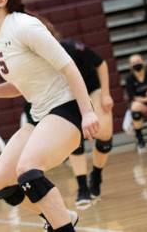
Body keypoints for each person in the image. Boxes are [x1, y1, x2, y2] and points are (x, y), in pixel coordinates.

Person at [0, 0, 98, 232]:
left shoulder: (25, 26)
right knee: (1, 183)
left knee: (28, 170)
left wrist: (88, 113)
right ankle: (61, 217)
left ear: (0, 0)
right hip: (39, 115)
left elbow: (69, 67)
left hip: (66, 108)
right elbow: (21, 85)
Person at [33, 18, 114, 207]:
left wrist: (106, 94)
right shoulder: (37, 61)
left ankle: (97, 175)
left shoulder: (70, 47)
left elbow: (101, 63)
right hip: (69, 96)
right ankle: (82, 187)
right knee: (74, 136)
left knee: (104, 135)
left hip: (92, 89)